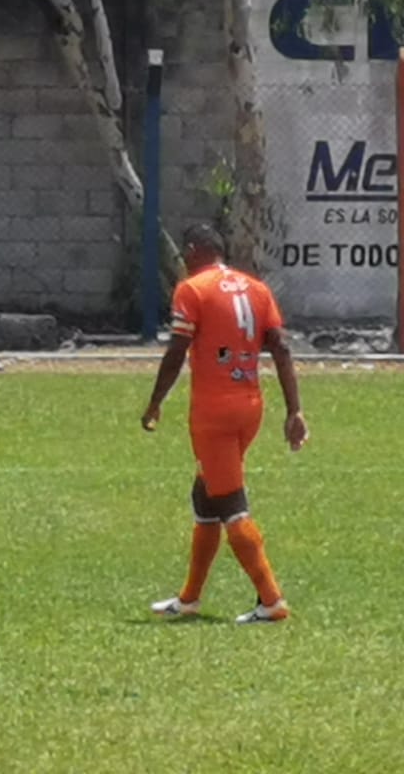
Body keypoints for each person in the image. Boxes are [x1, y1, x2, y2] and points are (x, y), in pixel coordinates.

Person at [142, 224, 308, 624]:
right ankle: (190, 598)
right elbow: (281, 347)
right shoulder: (256, 288)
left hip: (213, 412)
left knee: (231, 504)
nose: (183, 261)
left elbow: (178, 348)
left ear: (197, 250)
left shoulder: (193, 289)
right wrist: (294, 410)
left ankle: (272, 600)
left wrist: (155, 402)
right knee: (206, 497)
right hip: (250, 406)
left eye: (185, 253)